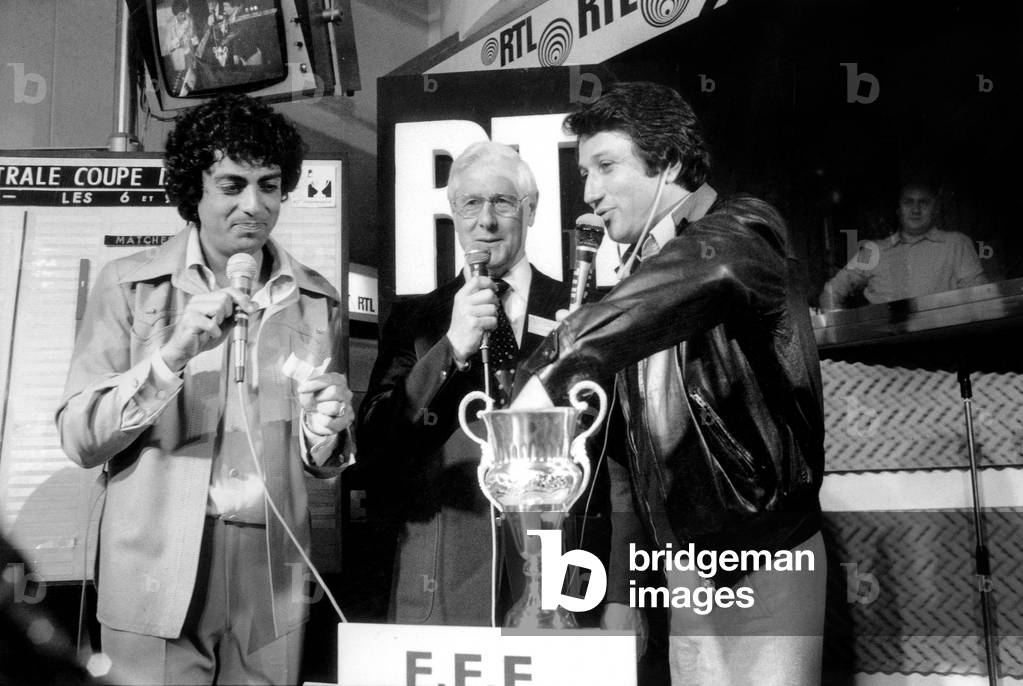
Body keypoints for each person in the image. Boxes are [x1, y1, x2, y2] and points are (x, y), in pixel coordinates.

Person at [512, 81, 827, 685]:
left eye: (606, 166)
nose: (590, 192)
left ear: (672, 163)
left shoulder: (744, 229)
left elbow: (714, 267)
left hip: (767, 553)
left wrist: (553, 365)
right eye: (584, 172)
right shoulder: (645, 271)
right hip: (688, 564)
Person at [56, 93, 353, 685]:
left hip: (272, 568)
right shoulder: (129, 286)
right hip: (155, 562)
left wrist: (324, 438)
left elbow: (323, 460)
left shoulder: (318, 301)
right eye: (232, 184)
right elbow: (80, 437)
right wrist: (169, 360)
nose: (254, 205)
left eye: (270, 185)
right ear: (193, 190)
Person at [356, 142, 570, 626]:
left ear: (530, 209)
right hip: (444, 580)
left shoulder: (574, 310)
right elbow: (373, 444)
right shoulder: (416, 318)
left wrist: (617, 589)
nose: (485, 221)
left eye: (502, 201)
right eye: (471, 203)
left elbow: (611, 458)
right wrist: (450, 348)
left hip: (556, 570)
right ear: (453, 212)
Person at [820, 182, 987, 309]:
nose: (916, 210)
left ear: (935, 209)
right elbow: (832, 290)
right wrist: (840, 330)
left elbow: (980, 298)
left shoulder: (956, 244)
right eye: (909, 202)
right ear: (898, 211)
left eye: (923, 202)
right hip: (883, 345)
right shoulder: (873, 251)